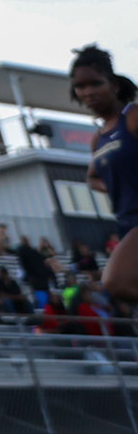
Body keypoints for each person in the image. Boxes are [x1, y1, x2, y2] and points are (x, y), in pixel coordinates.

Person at [73, 44, 138, 304]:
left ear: (113, 84)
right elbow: (93, 176)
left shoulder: (132, 116)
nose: (88, 92)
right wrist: (115, 184)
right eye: (81, 87)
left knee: (115, 282)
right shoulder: (98, 139)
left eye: (95, 84)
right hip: (126, 222)